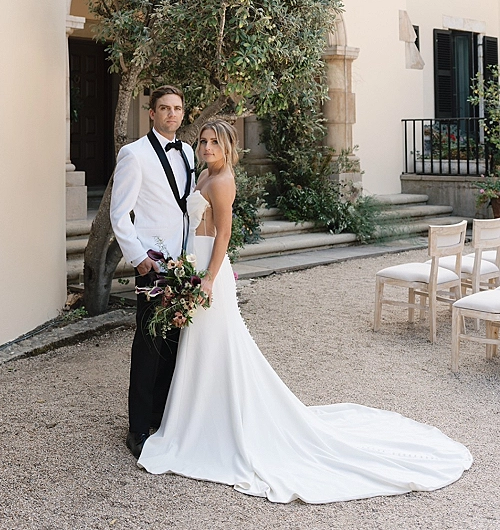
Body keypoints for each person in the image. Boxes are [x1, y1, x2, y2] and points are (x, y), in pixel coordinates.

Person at [138, 119, 473, 504]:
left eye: (215, 142)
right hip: (194, 265)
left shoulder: (222, 180)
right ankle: (196, 418)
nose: (207, 146)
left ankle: (214, 423)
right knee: (202, 348)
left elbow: (225, 234)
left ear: (228, 147)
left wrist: (210, 278)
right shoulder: (204, 174)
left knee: (215, 347)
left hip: (209, 274)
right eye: (203, 141)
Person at [110, 86, 195, 460]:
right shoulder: (134, 154)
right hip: (153, 266)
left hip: (183, 266)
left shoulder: (190, 151)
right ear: (152, 113)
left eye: (177, 108)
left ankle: (162, 416)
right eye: (164, 108)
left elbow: (187, 209)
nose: (171, 114)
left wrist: (193, 258)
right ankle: (137, 428)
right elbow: (118, 213)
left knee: (174, 346)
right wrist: (139, 258)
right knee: (148, 347)